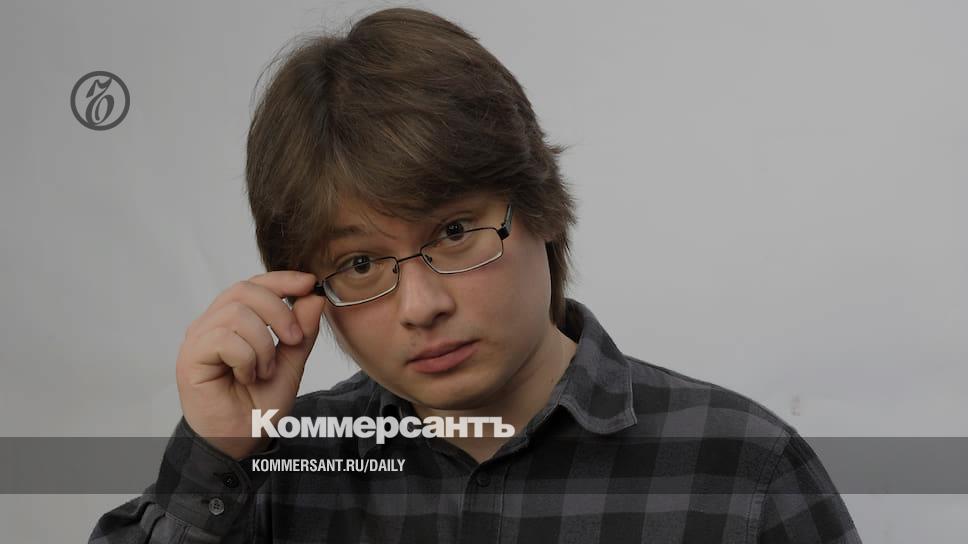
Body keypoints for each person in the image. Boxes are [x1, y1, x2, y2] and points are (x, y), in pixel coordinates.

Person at [89, 7, 861, 543]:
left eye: (455, 233)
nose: (420, 306)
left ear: (542, 208)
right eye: (361, 263)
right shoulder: (274, 474)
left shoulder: (741, 471)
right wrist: (216, 455)